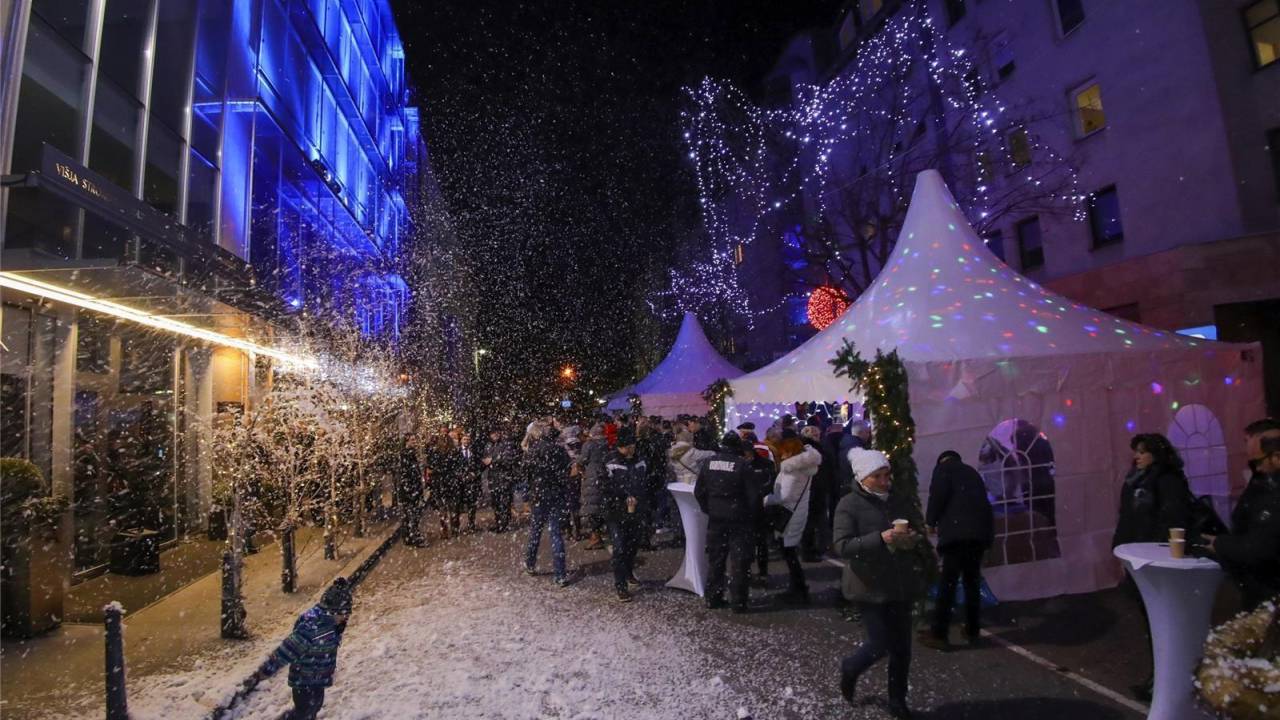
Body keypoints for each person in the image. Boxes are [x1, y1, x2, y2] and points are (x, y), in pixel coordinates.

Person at [833, 448, 924, 719]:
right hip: (868, 585)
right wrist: (880, 539)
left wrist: (912, 538)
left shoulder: (897, 499)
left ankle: (898, 700)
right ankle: (850, 667)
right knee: (879, 644)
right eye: (878, 476)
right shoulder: (849, 504)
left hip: (899, 583)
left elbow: (914, 527)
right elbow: (842, 546)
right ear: (862, 478)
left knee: (902, 648)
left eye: (887, 475)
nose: (885, 481)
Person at [1110, 433, 1193, 701]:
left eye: (1143, 451)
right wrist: (1120, 549)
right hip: (1136, 555)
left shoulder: (1167, 480)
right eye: (1136, 451)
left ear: (1156, 454)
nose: (1137, 456)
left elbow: (1172, 519)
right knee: (1152, 620)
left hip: (1154, 558)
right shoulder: (1136, 479)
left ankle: (1168, 679)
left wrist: (1157, 550)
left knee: (1163, 620)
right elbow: (1127, 517)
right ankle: (1161, 677)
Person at [922, 451, 994, 650]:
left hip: (957, 536)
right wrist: (987, 538)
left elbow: (938, 496)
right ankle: (972, 629)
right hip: (977, 535)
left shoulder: (943, 470)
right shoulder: (971, 472)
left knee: (948, 583)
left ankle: (939, 633)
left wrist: (930, 521)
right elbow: (985, 504)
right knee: (972, 582)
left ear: (941, 461)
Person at [1201, 431, 1280, 611]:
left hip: (1269, 588)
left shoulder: (1272, 491)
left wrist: (1222, 544)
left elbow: (1262, 546)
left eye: (1257, 462)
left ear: (1276, 457)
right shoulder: (1265, 484)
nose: (1257, 469)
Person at [253, 577, 353, 720]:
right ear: (332, 612)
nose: (346, 617)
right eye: (343, 614)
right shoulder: (311, 628)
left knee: (314, 708)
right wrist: (267, 669)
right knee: (303, 713)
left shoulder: (333, 625)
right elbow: (286, 650)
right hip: (304, 681)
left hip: (318, 679)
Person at [695, 433, 759, 612]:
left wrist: (709, 508)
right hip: (738, 519)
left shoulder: (709, 463)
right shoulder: (742, 465)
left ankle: (713, 597)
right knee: (739, 561)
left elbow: (699, 491)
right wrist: (750, 515)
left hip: (717, 519)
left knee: (716, 559)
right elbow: (754, 496)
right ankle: (738, 602)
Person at [763, 435, 822, 604]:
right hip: (797, 512)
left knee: (789, 553)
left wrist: (766, 499)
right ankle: (798, 587)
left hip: (789, 514)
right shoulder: (804, 465)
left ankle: (799, 588)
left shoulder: (792, 469)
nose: (781, 455)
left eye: (784, 451)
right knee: (790, 553)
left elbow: (784, 496)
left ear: (790, 451)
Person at [522, 422, 572, 587]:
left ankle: (530, 563)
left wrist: (526, 497)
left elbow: (526, 477)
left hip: (538, 495)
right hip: (555, 494)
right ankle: (560, 574)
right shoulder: (558, 450)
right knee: (556, 534)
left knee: (536, 530)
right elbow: (566, 471)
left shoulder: (532, 451)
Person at [602, 428, 649, 602]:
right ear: (620, 447)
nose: (630, 449)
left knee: (632, 545)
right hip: (616, 513)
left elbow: (646, 482)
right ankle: (620, 585)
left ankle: (628, 572)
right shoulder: (610, 461)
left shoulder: (641, 461)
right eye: (627, 446)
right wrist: (622, 497)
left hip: (636, 511)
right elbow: (604, 486)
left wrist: (640, 498)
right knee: (620, 548)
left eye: (632, 446)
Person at [799, 425, 831, 562]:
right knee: (811, 523)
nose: (819, 437)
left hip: (809, 489)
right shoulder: (813, 450)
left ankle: (810, 549)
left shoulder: (802, 449)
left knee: (809, 522)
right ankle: (809, 551)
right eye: (816, 435)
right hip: (814, 490)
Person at [482, 427, 520, 533]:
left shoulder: (506, 444)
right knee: (495, 502)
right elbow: (485, 459)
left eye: (496, 432)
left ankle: (504, 524)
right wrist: (485, 461)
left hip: (504, 478)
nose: (495, 435)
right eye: (492, 433)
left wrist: (493, 461)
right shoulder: (488, 445)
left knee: (505, 502)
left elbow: (509, 460)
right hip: (493, 478)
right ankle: (498, 522)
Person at [577, 424, 609, 549]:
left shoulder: (589, 445)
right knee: (601, 505)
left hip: (592, 477)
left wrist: (578, 466)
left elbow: (582, 460)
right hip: (605, 475)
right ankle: (602, 532)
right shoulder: (607, 444)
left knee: (591, 508)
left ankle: (595, 536)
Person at [395, 434, 426, 547]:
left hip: (412, 490)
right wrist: (411, 491)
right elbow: (404, 475)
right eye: (412, 440)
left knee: (409, 516)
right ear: (406, 442)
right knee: (412, 516)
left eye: (414, 440)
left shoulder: (410, 454)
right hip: (409, 492)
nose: (414, 442)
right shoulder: (404, 455)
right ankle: (414, 538)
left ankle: (409, 537)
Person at [458, 431, 483, 532]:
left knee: (472, 505)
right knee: (459, 505)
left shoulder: (475, 451)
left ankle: (471, 525)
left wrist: (475, 473)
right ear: (461, 440)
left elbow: (480, 465)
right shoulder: (456, 452)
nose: (466, 441)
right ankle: (457, 526)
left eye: (468, 439)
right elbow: (454, 465)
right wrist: (461, 475)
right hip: (460, 483)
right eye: (464, 439)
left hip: (472, 482)